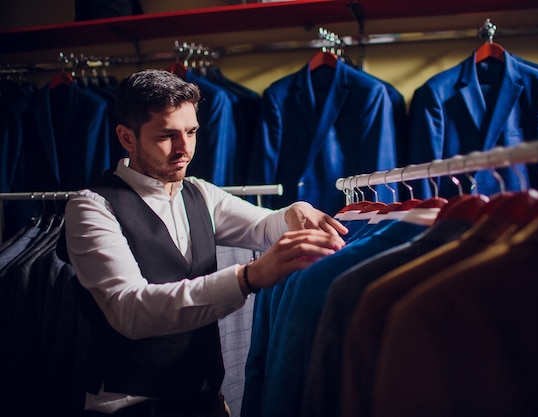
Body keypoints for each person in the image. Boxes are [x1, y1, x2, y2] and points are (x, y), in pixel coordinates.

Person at [63, 69, 348, 417]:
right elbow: (130, 310)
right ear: (127, 138)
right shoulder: (92, 206)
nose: (184, 148)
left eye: (192, 131)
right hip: (129, 406)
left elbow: (262, 225)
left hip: (205, 403)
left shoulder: (199, 193)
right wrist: (247, 278)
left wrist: (294, 211)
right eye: (167, 135)